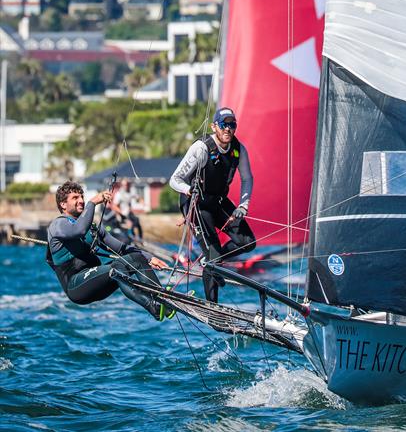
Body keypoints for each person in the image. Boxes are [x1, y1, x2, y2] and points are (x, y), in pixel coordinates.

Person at [46, 181, 172, 321]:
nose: (81, 200)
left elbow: (120, 248)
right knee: (117, 267)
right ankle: (154, 307)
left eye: (82, 197)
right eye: (75, 198)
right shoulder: (58, 225)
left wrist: (148, 258)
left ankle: (161, 298)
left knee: (135, 258)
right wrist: (92, 202)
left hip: (96, 281)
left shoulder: (93, 228)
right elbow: (79, 230)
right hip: (76, 287)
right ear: (63, 204)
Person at [169, 107, 256, 302]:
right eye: (224, 124)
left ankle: (212, 261)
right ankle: (212, 306)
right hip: (195, 202)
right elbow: (175, 179)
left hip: (218, 201)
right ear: (214, 126)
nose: (228, 129)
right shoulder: (201, 148)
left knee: (248, 242)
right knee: (213, 256)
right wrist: (189, 190)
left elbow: (247, 178)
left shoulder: (238, 149)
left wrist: (243, 205)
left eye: (232, 125)